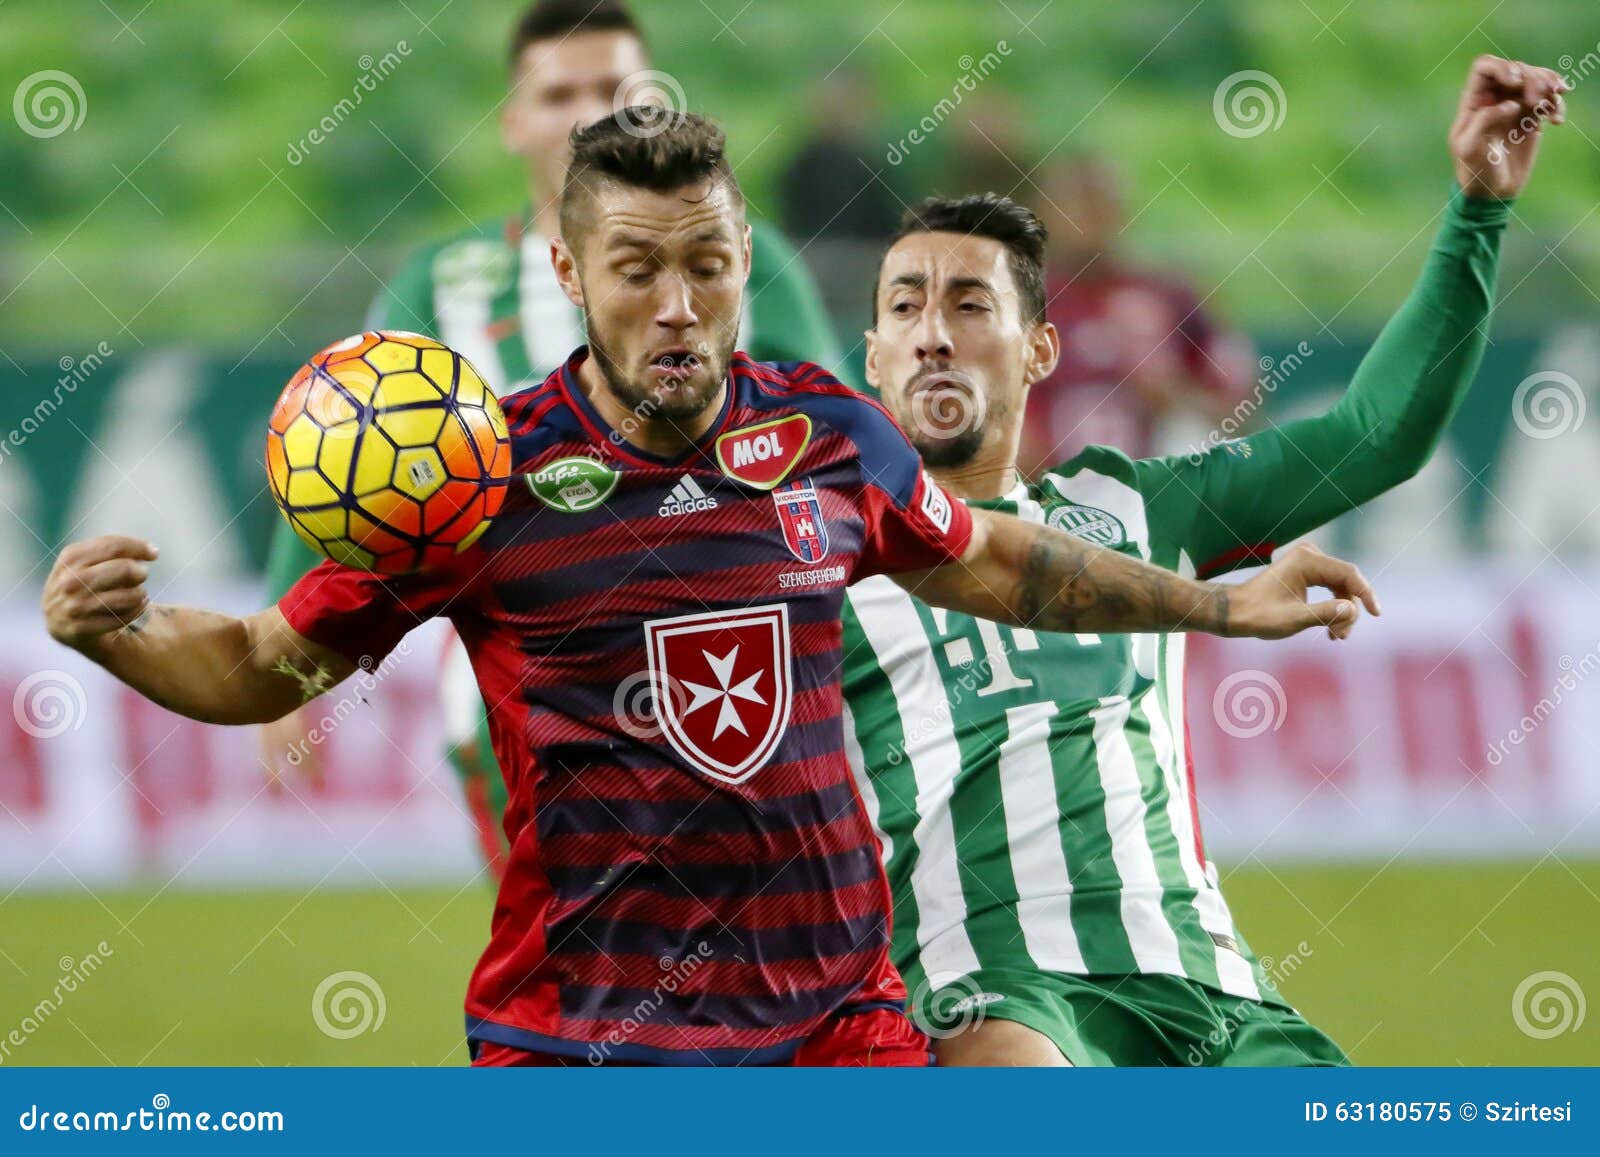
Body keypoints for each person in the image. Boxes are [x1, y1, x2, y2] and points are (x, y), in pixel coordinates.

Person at [43, 110, 1374, 1067]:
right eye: (638, 272)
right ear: (571, 277)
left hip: (835, 1025)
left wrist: (1209, 603)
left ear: (748, 267)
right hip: (584, 1036)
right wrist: (123, 637)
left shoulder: (830, 434)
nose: (679, 305)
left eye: (710, 267)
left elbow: (994, 558)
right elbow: (263, 662)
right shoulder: (481, 473)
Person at [842, 56, 1564, 1065]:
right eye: (906, 306)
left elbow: (1377, 430)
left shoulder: (1135, 506)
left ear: (1039, 349)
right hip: (998, 994)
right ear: (871, 353)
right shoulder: (819, 561)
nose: (933, 334)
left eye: (969, 303)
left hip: (1213, 995)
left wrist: (1477, 213)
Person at [259, 0, 843, 868]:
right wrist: (289, 667)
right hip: (529, 690)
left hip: (741, 675)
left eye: (613, 87)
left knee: (778, 973)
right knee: (576, 984)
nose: (589, 112)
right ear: (514, 122)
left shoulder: (750, 262)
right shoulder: (444, 283)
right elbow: (342, 465)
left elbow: (844, 455)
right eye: (560, 92)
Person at [1017, 152, 1254, 475]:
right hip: (1048, 502)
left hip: (1157, 496)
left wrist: (1173, 395)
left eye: (1098, 205)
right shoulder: (1018, 305)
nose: (1088, 221)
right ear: (1045, 214)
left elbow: (1244, 412)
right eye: (1075, 206)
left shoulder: (1169, 296)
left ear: (1121, 211)